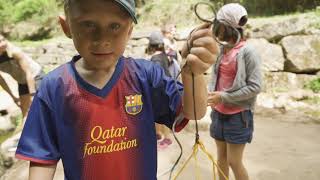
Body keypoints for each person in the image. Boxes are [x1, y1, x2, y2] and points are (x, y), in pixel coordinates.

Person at [15, 0, 218, 179]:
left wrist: (195, 73)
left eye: (115, 26)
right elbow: (42, 159)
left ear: (130, 30)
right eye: (88, 24)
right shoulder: (54, 87)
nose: (102, 38)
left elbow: (194, 111)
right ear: (66, 25)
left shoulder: (145, 76)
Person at [207, 3, 262, 180]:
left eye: (219, 25)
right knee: (221, 158)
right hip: (219, 114)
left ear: (227, 27)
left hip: (238, 116)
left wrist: (223, 96)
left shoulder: (248, 52)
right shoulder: (222, 49)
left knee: (234, 161)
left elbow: (255, 87)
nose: (216, 28)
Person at [0, 34, 44, 119]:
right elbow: (1, 80)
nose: (3, 43)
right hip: (22, 81)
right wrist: (14, 97)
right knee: (26, 114)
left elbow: (28, 72)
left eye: (3, 40)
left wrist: (32, 95)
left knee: (41, 106)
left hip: (35, 76)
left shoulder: (14, 52)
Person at [147, 31, 175, 149]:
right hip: (167, 89)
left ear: (151, 45)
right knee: (163, 116)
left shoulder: (155, 59)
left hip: (159, 91)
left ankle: (164, 137)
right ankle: (162, 136)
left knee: (159, 116)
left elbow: (155, 79)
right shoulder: (164, 55)